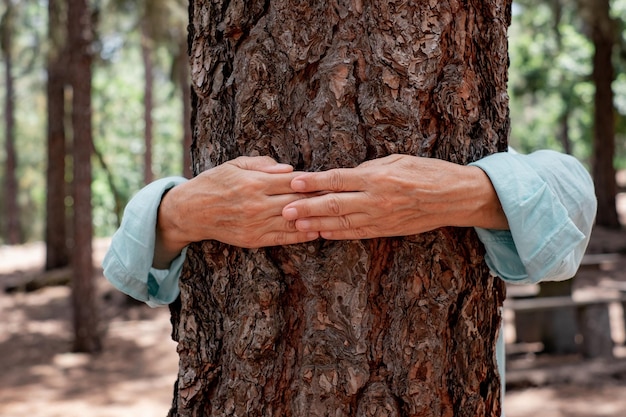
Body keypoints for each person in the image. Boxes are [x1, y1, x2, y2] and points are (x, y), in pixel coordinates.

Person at [102, 149, 596, 413]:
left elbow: (572, 204)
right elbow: (132, 267)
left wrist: (462, 193)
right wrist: (179, 212)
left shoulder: (472, 151)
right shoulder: (224, 163)